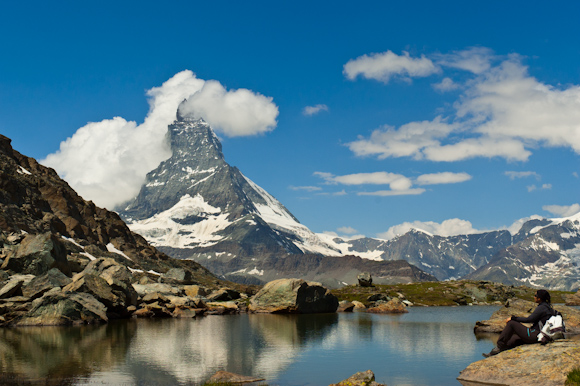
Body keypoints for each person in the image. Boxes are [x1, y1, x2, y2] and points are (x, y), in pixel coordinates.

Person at [483, 289, 554, 357]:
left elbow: (530, 319)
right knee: (514, 338)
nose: (534, 297)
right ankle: (500, 351)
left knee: (511, 323)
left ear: (539, 298)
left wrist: (513, 318)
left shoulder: (541, 307)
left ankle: (499, 347)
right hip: (540, 335)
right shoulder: (548, 307)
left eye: (535, 295)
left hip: (536, 335)